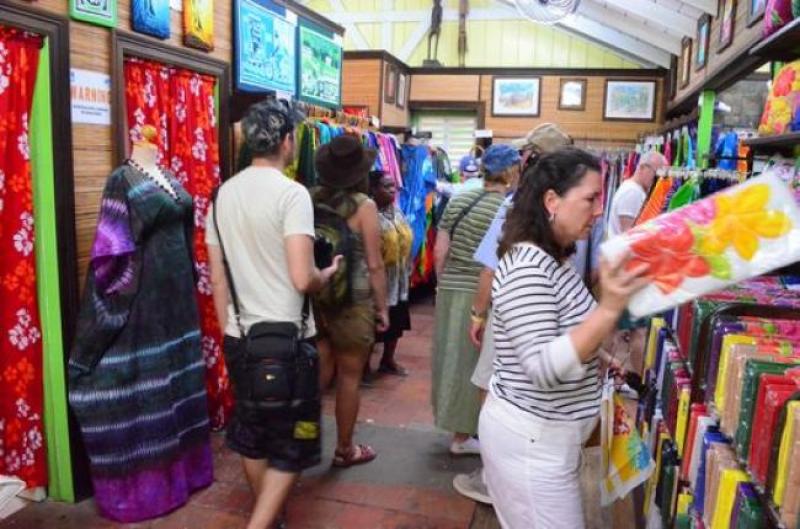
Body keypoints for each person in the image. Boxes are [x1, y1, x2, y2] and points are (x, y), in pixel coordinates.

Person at [478, 148, 647, 529]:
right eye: (590, 198)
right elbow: (542, 366)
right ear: (552, 201)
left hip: (549, 443)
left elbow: (562, 330)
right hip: (532, 447)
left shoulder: (555, 260)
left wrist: (600, 359)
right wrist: (608, 309)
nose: (600, 209)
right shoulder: (527, 266)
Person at [206, 100, 340, 529]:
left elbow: (217, 279)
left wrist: (229, 331)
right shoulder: (292, 194)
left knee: (253, 437)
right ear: (287, 142)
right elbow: (303, 278)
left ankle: (272, 517)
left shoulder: (221, 194)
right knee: (295, 441)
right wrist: (327, 272)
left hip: (240, 336)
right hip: (288, 342)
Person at [453, 124, 573, 504]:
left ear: (530, 160)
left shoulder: (517, 206)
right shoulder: (576, 206)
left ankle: (493, 477)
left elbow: (491, 266)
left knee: (494, 388)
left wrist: (477, 313)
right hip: (554, 316)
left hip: (511, 313)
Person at [432, 144, 521, 456]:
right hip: (480, 291)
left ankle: (453, 425)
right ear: (511, 172)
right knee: (473, 363)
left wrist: (440, 284)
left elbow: (439, 249)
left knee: (449, 359)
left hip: (451, 287)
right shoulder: (506, 209)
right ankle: (462, 435)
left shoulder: (459, 198)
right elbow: (493, 264)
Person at [313, 135, 389, 468]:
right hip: (354, 304)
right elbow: (374, 263)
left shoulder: (307, 197)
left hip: (315, 295)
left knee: (316, 372)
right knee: (349, 377)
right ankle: (345, 449)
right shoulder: (365, 206)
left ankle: (304, 440)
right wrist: (383, 307)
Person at [605, 151, 668, 381]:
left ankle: (621, 377)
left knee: (623, 328)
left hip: (624, 269)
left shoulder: (631, 190)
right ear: (644, 168)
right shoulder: (633, 193)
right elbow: (631, 236)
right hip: (627, 270)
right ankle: (638, 380)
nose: (660, 179)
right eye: (658, 173)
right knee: (636, 330)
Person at [366, 170, 413, 379]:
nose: (392, 190)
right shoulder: (369, 215)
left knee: (397, 320)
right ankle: (364, 367)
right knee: (372, 324)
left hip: (399, 278)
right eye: (386, 186)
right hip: (379, 277)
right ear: (373, 189)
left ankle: (388, 360)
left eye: (393, 186)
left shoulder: (396, 211)